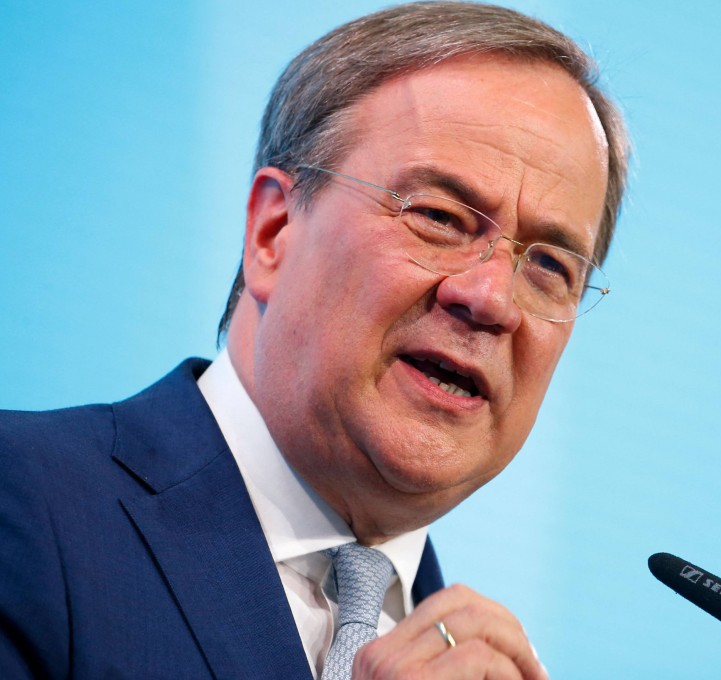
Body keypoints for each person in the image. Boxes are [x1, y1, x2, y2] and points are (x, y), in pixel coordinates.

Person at [0, 2, 629, 678]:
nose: (491, 299)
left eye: (549, 266)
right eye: (439, 217)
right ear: (273, 232)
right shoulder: (27, 504)